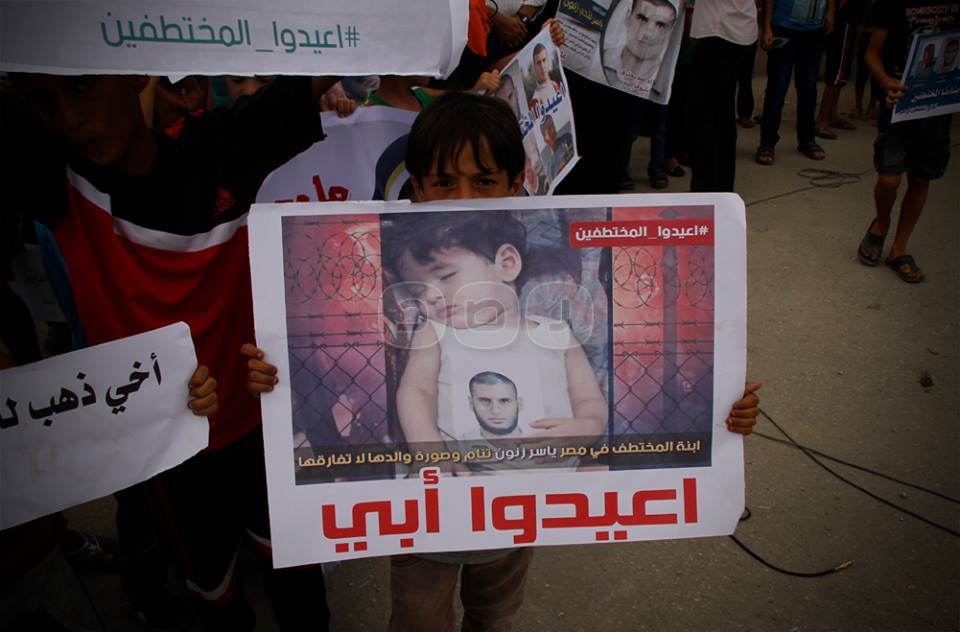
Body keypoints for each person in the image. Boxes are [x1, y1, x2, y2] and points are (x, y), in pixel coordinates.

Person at [245, 91, 764, 632]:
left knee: (495, 614)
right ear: (417, 189)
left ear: (515, 190)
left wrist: (718, 408)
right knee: (420, 619)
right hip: (433, 514)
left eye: (483, 181)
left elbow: (590, 401)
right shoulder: (432, 330)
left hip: (521, 512)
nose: (462, 198)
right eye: (443, 183)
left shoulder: (554, 332)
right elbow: (413, 392)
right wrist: (428, 455)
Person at [8, 72, 337, 631]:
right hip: (166, 454)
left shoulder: (221, 145)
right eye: (44, 101)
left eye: (82, 87)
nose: (68, 116)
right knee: (213, 592)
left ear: (134, 69)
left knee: (297, 575)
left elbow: (336, 59)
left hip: (265, 420)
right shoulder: (56, 177)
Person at [854, 0, 957, 283]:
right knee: (889, 179)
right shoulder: (892, 4)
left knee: (921, 178)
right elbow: (872, 53)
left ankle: (899, 249)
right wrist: (886, 81)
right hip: (898, 103)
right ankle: (881, 222)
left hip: (937, 105)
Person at [687, 0, 761, 191]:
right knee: (722, 116)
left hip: (719, 32)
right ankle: (721, 187)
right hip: (738, 31)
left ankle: (707, 188)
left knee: (707, 120)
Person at [755, 0, 836, 165]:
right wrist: (767, 27)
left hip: (814, 31)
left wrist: (831, 10)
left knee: (808, 89)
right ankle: (767, 143)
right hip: (784, 27)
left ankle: (807, 140)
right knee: (777, 88)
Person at [600, 0, 679, 89]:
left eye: (660, 25)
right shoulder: (600, 57)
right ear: (628, 17)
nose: (647, 34)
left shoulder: (667, 84)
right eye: (642, 19)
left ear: (670, 32)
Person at [527, 42, 565, 113]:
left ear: (548, 61)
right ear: (535, 67)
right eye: (539, 63)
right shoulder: (535, 100)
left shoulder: (555, 85)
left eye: (544, 60)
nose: (542, 66)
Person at [539, 113, 575, 177]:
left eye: (553, 125)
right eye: (549, 129)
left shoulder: (567, 137)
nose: (553, 130)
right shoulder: (551, 166)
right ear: (544, 138)